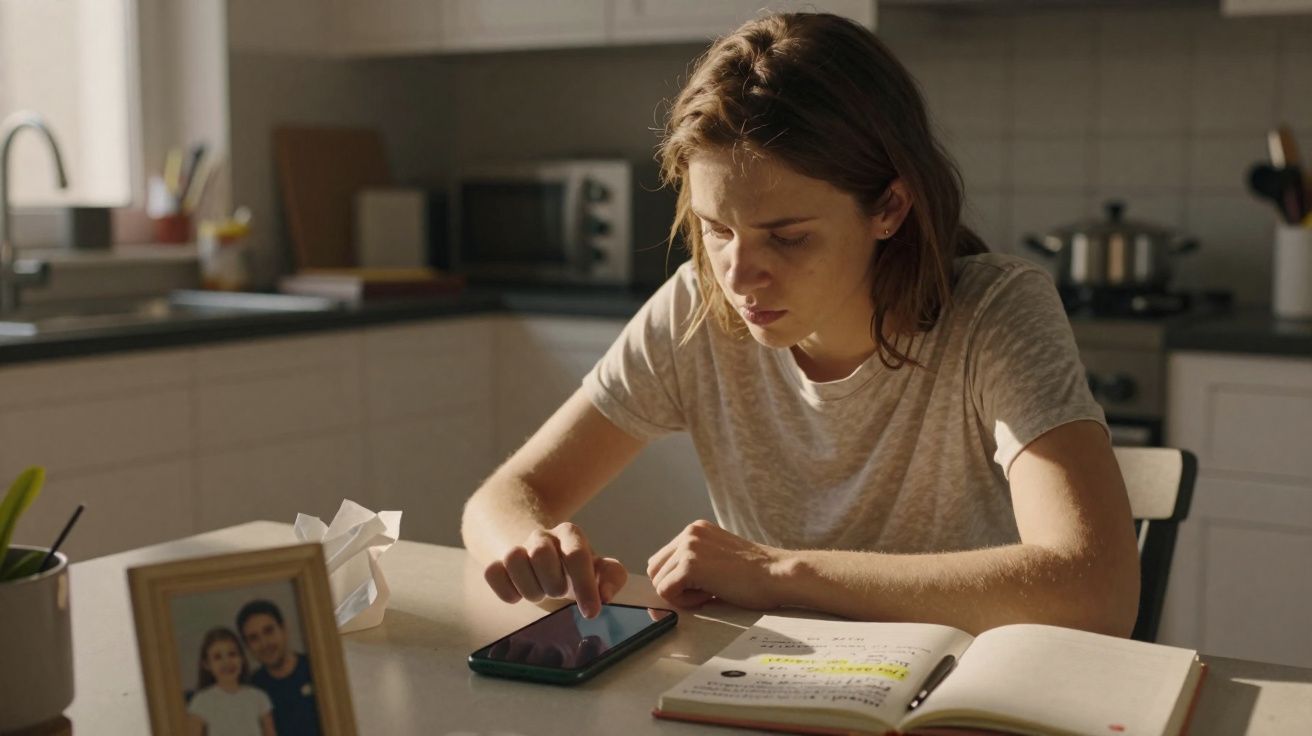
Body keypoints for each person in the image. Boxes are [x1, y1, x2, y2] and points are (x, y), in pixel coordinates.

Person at [461, 12, 1140, 637]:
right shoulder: (698, 307)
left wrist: (775, 572)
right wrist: (527, 541)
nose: (738, 274)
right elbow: (504, 497)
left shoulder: (996, 312)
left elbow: (1095, 591)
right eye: (716, 229)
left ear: (890, 208)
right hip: (775, 689)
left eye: (786, 238)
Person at [236, 600, 321, 736]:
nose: (264, 643)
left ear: (284, 629)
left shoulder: (317, 669)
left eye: (269, 631)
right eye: (254, 638)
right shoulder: (250, 692)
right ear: (247, 647)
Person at [187, 627, 275, 736]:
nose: (226, 662)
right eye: (218, 657)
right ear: (207, 664)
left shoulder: (259, 697)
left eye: (232, 654)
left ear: (242, 658)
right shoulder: (201, 701)